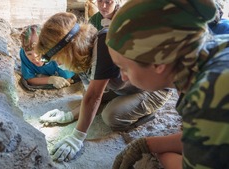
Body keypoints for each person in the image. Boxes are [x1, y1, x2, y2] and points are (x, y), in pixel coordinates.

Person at [106, 0, 229, 169]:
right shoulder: (211, 49)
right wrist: (147, 144)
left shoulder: (209, 93)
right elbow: (202, 137)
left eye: (124, 67)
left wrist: (162, 154)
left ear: (158, 63)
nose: (123, 77)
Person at [36, 12, 172, 162]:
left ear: (67, 49)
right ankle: (124, 101)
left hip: (153, 88)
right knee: (94, 101)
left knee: (111, 116)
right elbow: (90, 94)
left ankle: (144, 113)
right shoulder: (83, 53)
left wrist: (77, 137)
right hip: (125, 86)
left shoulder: (103, 43)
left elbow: (94, 96)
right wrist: (67, 116)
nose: (58, 63)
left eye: (56, 57)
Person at [19, 24, 75, 90]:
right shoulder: (23, 54)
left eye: (38, 52)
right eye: (29, 54)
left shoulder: (56, 53)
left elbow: (67, 79)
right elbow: (29, 78)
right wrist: (50, 80)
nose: (35, 58)